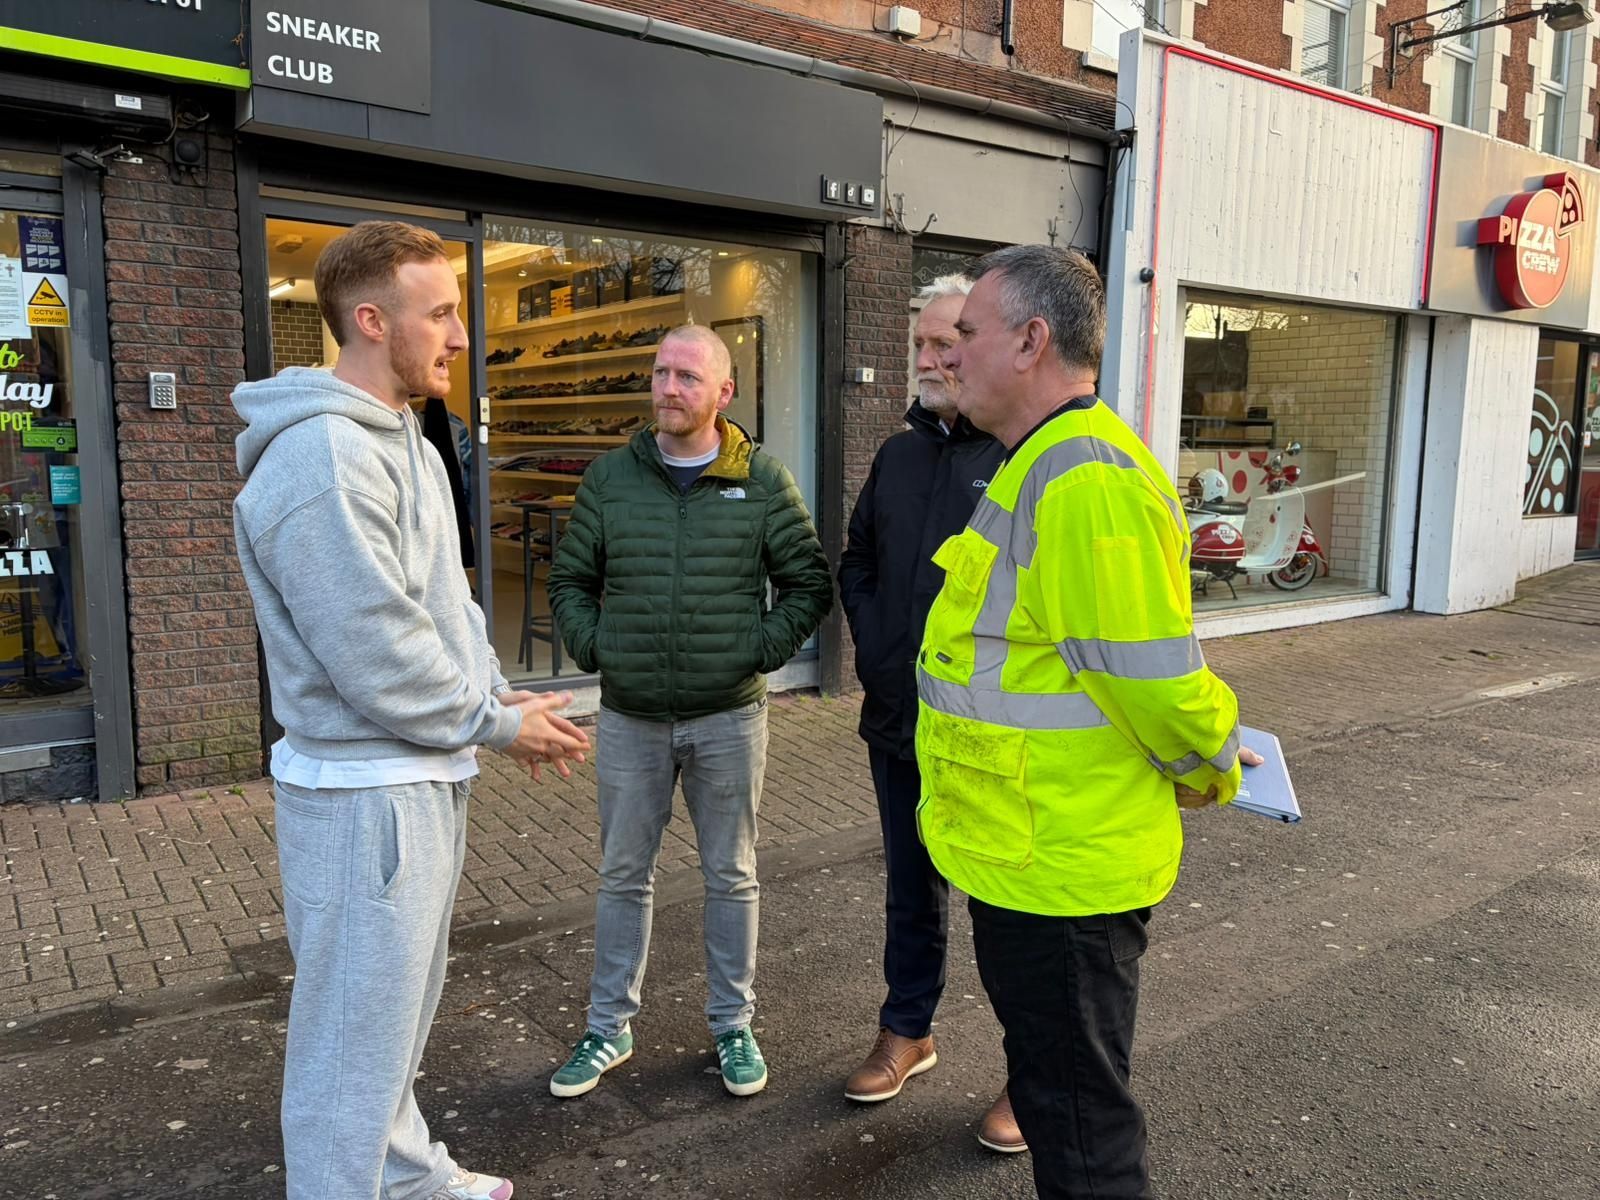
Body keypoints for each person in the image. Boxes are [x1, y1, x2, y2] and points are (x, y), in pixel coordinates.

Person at [232, 220, 590, 1200]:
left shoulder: (404, 441)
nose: (461, 337)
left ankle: (405, 1178)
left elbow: (442, 605)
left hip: (408, 781)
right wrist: (497, 724)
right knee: (350, 1046)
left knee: (389, 1022)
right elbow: (375, 653)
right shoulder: (323, 463)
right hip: (366, 797)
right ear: (367, 319)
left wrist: (493, 695)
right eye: (440, 313)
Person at [916, 245, 1258, 1199]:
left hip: (1064, 875)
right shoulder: (1044, 465)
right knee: (1063, 1105)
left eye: (969, 335)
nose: (948, 355)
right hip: (1035, 857)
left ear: (1031, 340)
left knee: (1081, 1137)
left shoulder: (1084, 482)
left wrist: (1216, 766)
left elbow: (1155, 684)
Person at [546, 323, 832, 1101]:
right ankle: (608, 1027)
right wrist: (597, 646)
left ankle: (733, 1025)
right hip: (632, 717)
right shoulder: (611, 479)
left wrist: (756, 650)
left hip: (728, 718)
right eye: (661, 373)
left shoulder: (763, 481)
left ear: (724, 393)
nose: (669, 389)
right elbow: (570, 580)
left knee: (731, 875)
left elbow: (809, 583)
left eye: (687, 378)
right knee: (620, 876)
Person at [836, 276, 1021, 1151]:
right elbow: (858, 558)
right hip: (900, 724)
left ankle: (1034, 1073)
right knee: (912, 893)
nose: (931, 359)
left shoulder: (1022, 457)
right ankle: (908, 1030)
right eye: (920, 345)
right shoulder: (898, 454)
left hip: (988, 738)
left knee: (1006, 910)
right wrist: (876, 653)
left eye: (948, 342)